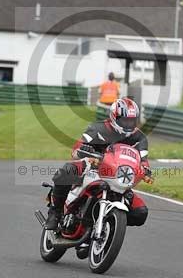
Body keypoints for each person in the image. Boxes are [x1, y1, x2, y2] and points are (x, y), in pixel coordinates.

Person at [44, 97, 150, 231]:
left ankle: (110, 224)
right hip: (93, 167)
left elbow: (144, 160)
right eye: (125, 120)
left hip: (118, 176)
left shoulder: (139, 138)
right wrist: (84, 150)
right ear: (114, 117)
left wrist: (146, 170)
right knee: (67, 171)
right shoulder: (98, 128)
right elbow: (76, 149)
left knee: (140, 213)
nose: (128, 124)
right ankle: (55, 212)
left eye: (131, 120)